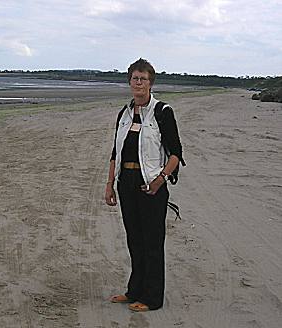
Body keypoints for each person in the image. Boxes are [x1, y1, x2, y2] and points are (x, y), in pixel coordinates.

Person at [105, 58, 183, 312]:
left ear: (151, 83)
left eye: (143, 78)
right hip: (125, 184)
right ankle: (134, 291)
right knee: (134, 241)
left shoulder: (162, 112)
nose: (138, 82)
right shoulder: (124, 114)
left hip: (151, 187)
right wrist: (110, 184)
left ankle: (152, 298)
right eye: (134, 78)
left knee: (152, 243)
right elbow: (115, 153)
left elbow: (176, 153)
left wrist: (160, 180)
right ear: (129, 82)